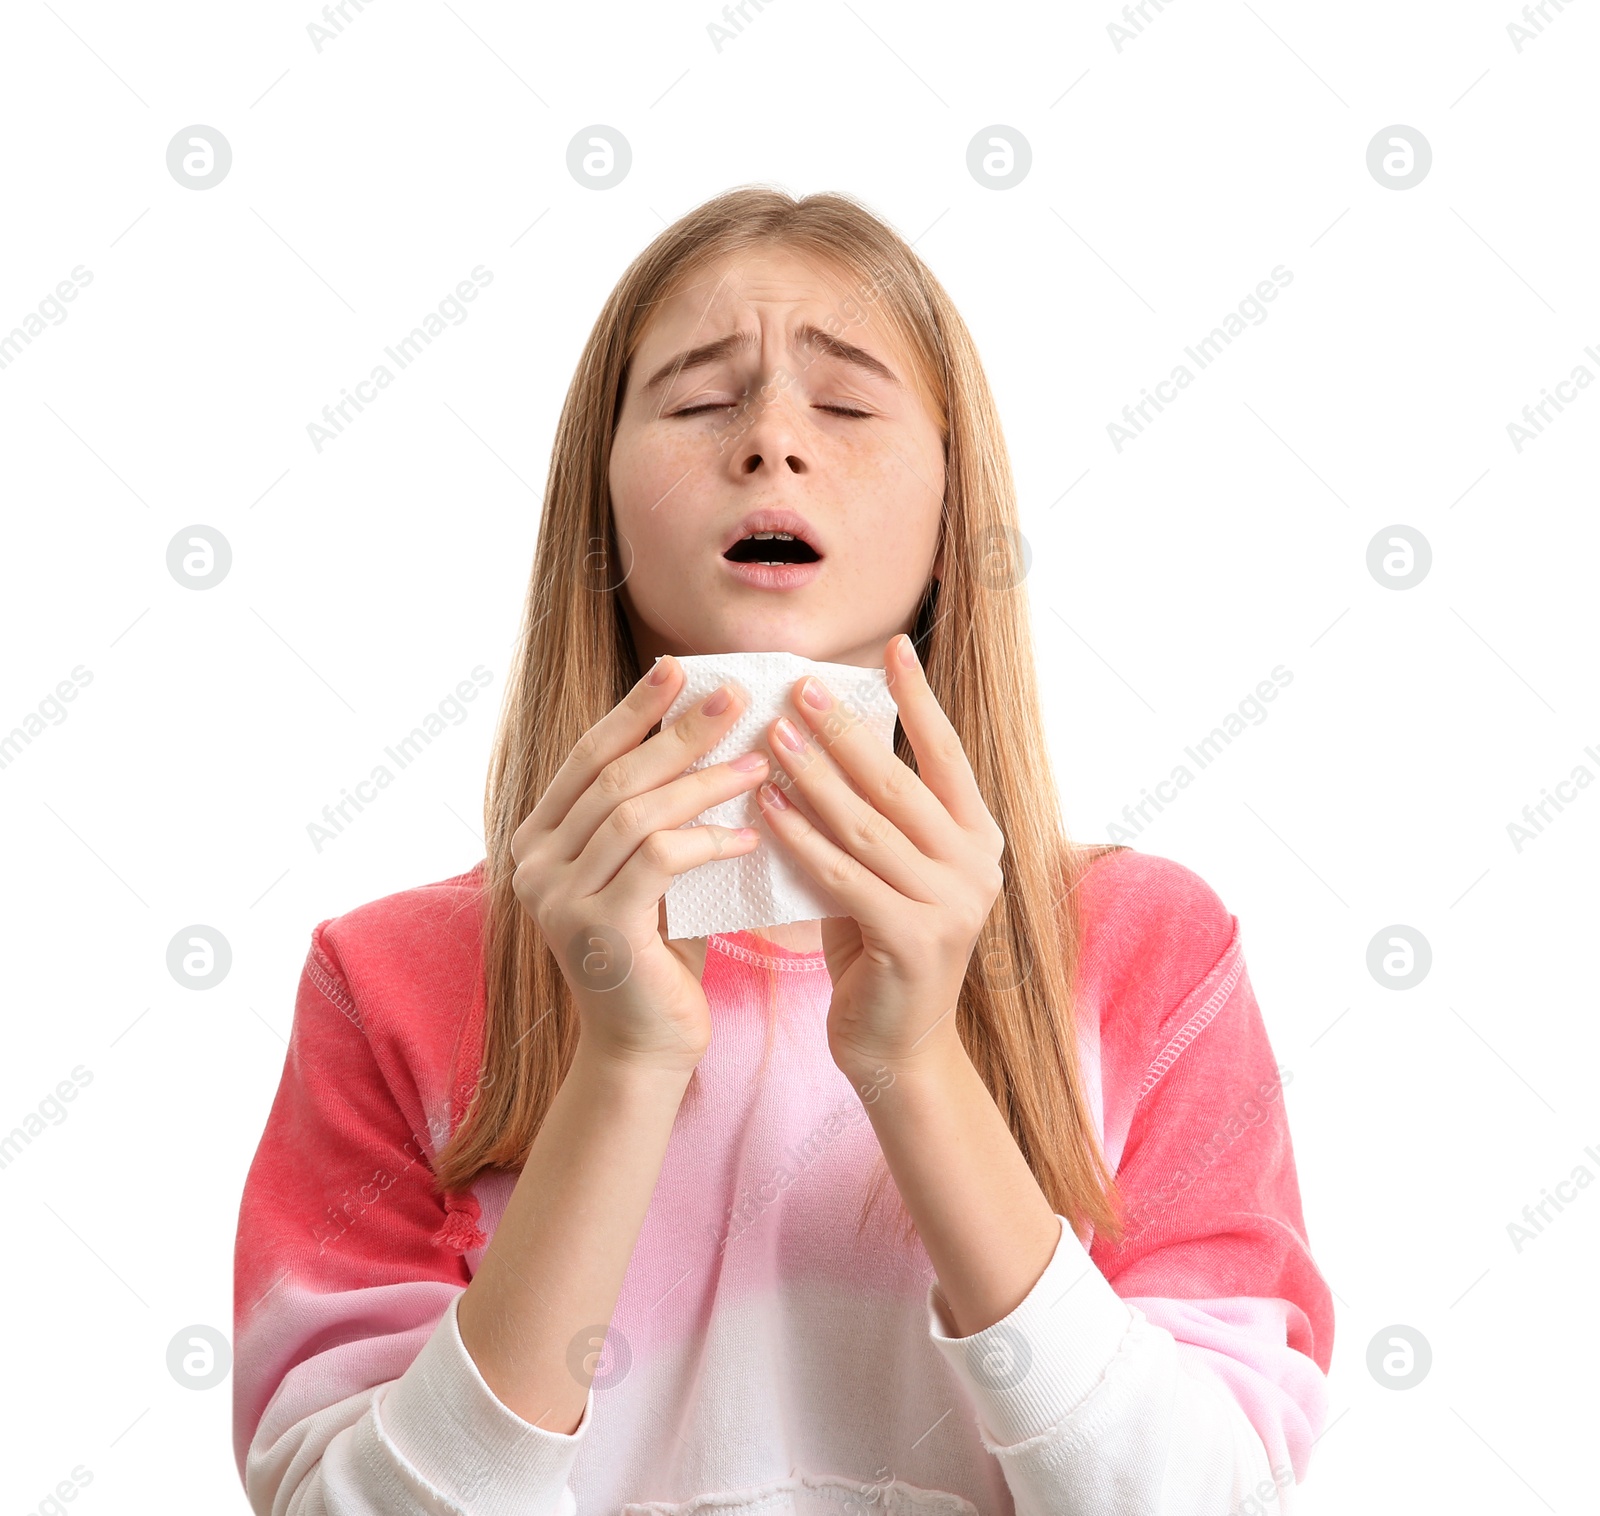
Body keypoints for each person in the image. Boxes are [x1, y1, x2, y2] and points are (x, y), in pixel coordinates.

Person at [232, 185, 1332, 1515]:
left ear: (950, 510)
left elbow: (1202, 1501)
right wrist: (625, 1065)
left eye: (848, 405)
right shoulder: (390, 980)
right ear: (602, 513)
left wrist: (917, 1065)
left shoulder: (1152, 955)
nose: (768, 443)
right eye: (700, 402)